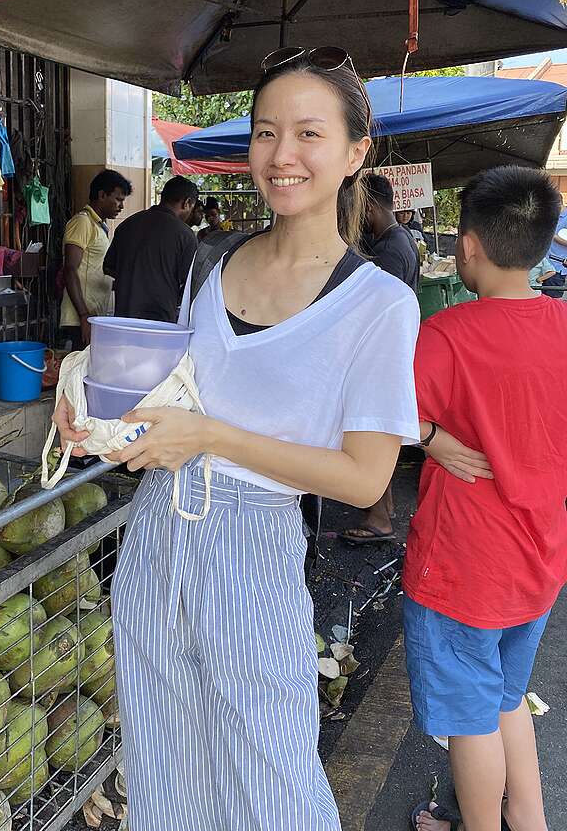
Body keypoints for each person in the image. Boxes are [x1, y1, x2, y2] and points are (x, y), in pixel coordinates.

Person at [56, 46, 420, 831]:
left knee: (272, 780)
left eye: (308, 134)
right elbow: (173, 399)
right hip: (157, 530)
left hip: (254, 546)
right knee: (163, 767)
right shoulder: (211, 262)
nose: (281, 155)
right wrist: (95, 405)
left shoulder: (379, 304)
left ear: (356, 151)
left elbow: (362, 480)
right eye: (264, 133)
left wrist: (210, 436)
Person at [404, 166, 566, 831]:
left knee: (471, 721)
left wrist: (434, 435)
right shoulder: (561, 323)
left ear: (468, 246)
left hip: (462, 565)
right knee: (504, 700)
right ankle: (526, 821)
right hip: (539, 559)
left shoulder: (447, 334)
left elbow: (380, 413)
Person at [340, 172, 420, 545]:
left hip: (379, 358)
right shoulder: (399, 240)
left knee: (370, 438)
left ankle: (379, 518)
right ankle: (381, 513)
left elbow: (371, 311)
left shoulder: (390, 250)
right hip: (387, 355)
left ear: (367, 206)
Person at [103, 175, 198, 323]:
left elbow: (109, 267)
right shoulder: (185, 235)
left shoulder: (127, 225)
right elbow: (190, 284)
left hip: (124, 320)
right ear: (187, 203)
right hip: (161, 322)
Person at [60, 169, 132, 349]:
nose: (121, 206)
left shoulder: (99, 225)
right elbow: (70, 269)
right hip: (80, 319)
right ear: (101, 195)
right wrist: (84, 316)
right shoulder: (82, 222)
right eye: (118, 199)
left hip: (93, 316)